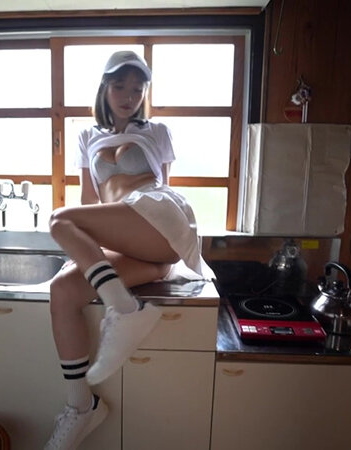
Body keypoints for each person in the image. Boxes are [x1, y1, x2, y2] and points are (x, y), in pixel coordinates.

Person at [44, 50, 205, 450]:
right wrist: (84, 254)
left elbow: (164, 187)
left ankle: (125, 309)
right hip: (134, 239)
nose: (129, 96)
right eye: (120, 86)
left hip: (159, 215)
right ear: (105, 87)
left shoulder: (157, 131)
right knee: (63, 290)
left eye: (137, 88)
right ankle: (81, 406)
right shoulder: (87, 136)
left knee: (59, 220)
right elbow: (90, 201)